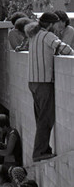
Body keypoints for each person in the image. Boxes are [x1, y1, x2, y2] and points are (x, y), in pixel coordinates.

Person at [25, 12, 74, 162]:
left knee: (41, 118)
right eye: (56, 24)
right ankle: (40, 152)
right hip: (43, 82)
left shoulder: (34, 35)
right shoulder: (47, 36)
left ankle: (43, 149)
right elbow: (66, 49)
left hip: (33, 81)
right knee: (46, 119)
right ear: (50, 24)